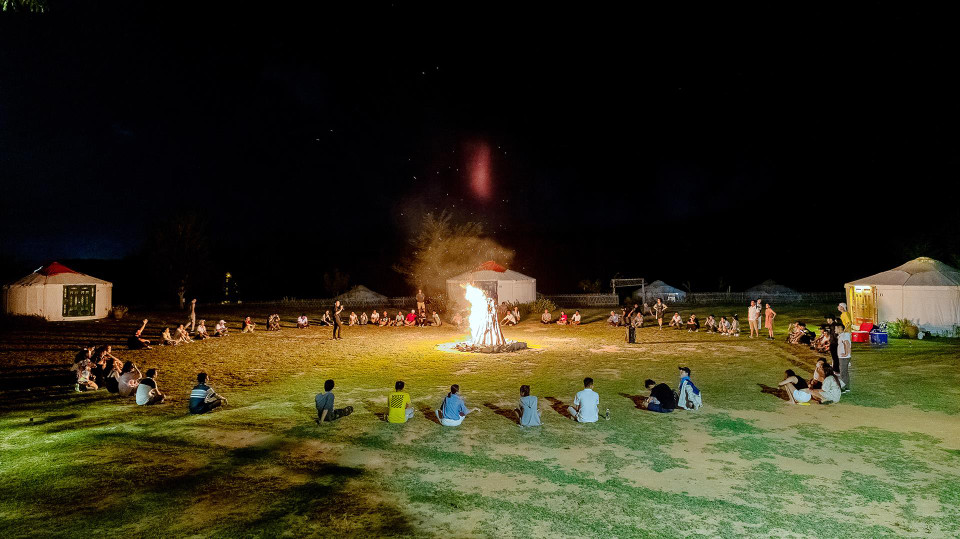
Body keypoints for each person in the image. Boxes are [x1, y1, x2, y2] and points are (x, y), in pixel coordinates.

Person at [837, 324, 852, 391]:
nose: (835, 330)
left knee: (843, 373)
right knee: (845, 372)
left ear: (839, 328)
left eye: (835, 328)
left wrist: (846, 353)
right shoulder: (842, 335)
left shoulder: (844, 336)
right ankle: (846, 387)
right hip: (843, 357)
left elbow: (847, 344)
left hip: (844, 358)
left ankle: (843, 388)